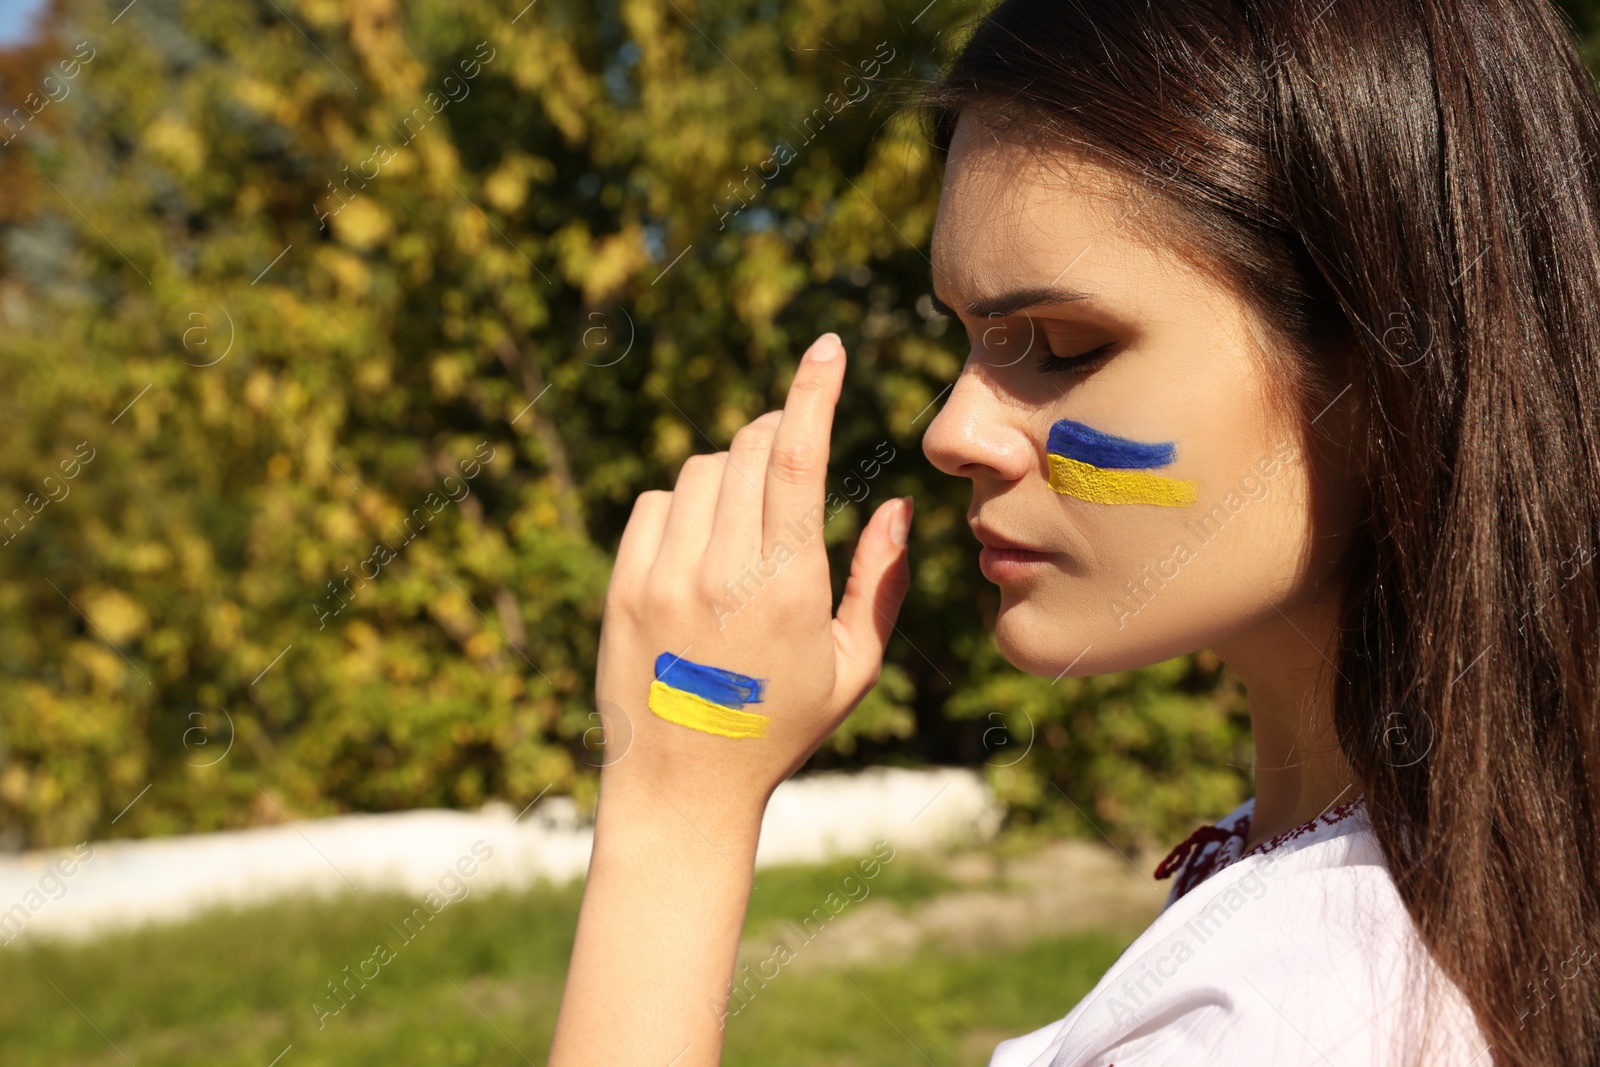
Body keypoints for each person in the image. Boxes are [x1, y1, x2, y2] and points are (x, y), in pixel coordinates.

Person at [547, 1, 1600, 1064]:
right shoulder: (1443, 875)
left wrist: (675, 807)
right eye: (970, 338)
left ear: (1386, 361)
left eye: (1058, 343)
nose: (953, 432)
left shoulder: (1279, 1021)